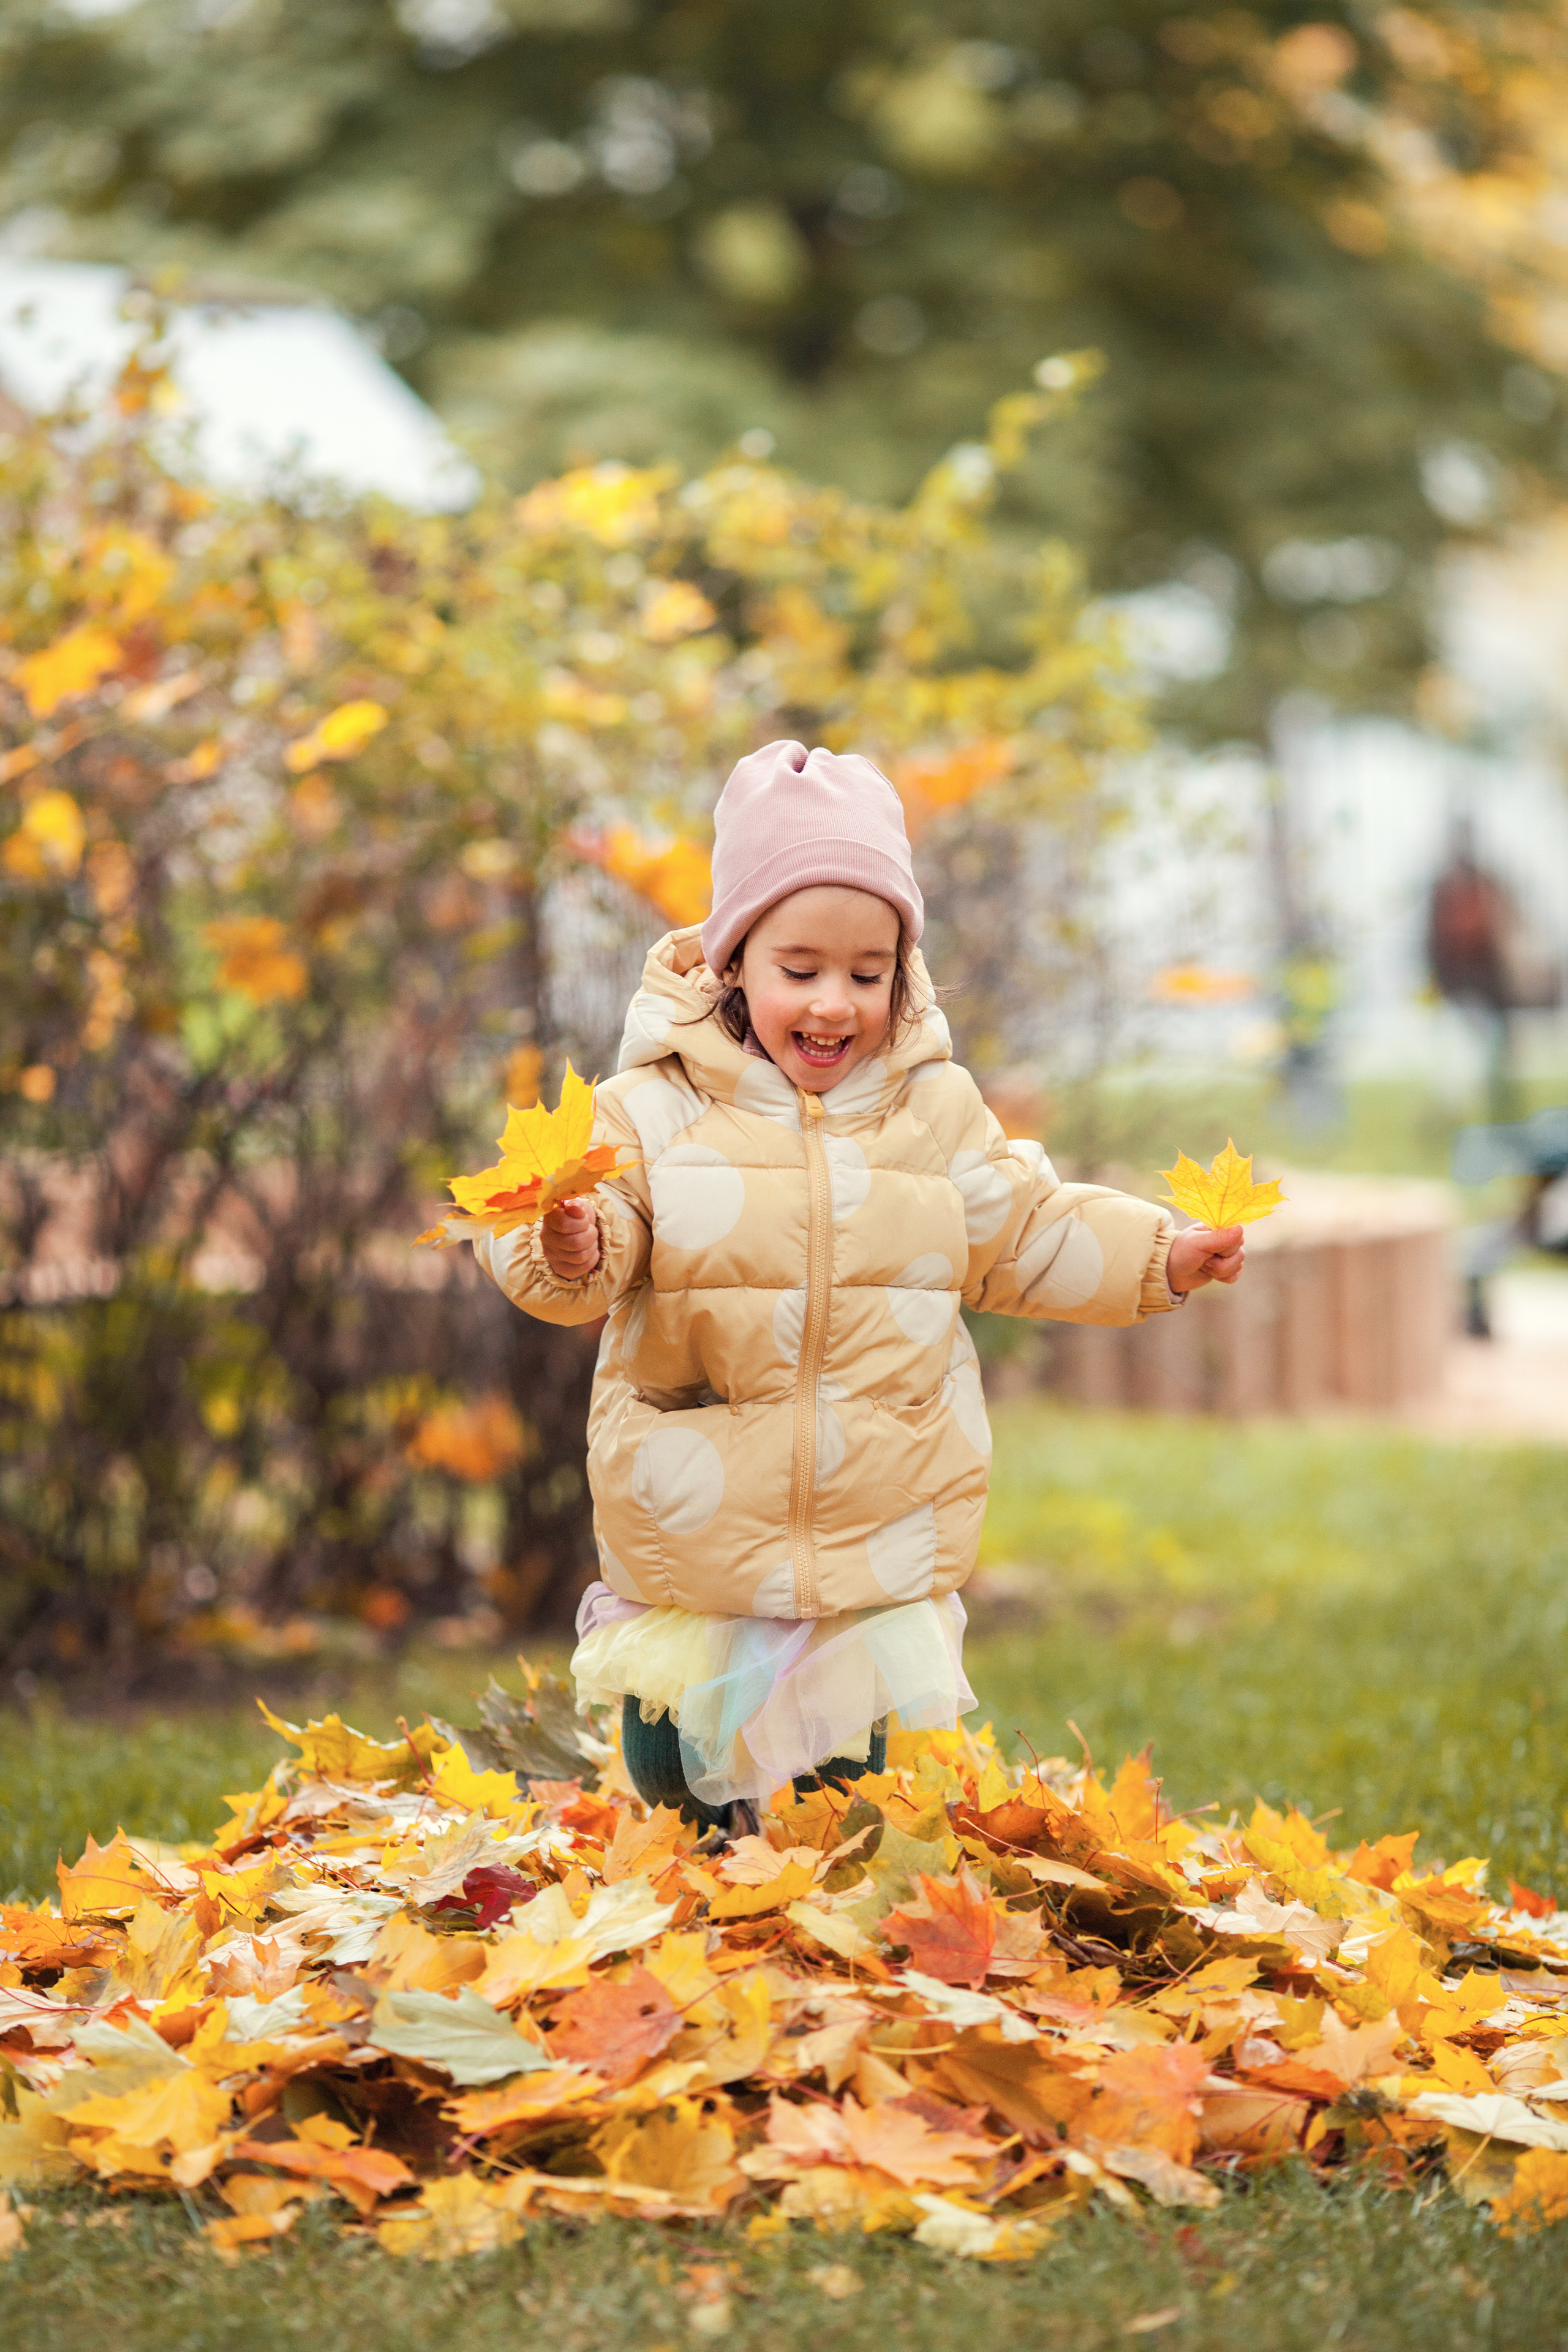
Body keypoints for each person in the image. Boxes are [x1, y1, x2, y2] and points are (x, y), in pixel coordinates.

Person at [470, 741, 1246, 1834]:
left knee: (843, 1773)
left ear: (901, 972)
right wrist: (570, 1243)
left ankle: (817, 1906)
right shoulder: (652, 1111)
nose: (835, 1003)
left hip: (873, 1515)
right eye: (801, 970)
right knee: (677, 1759)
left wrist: (1157, 1256)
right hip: (696, 1503)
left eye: (867, 974)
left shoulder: (930, 1114)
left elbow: (1022, 1227)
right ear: (734, 960)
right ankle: (703, 1856)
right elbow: (589, 1245)